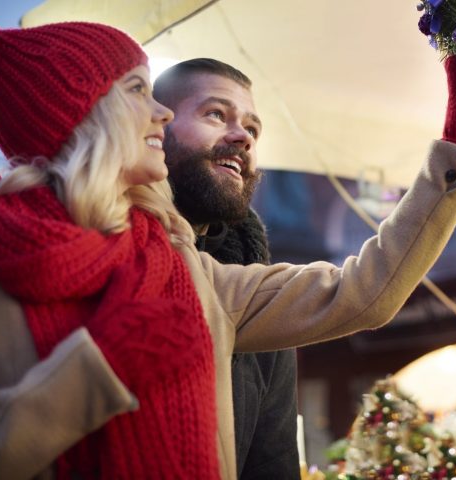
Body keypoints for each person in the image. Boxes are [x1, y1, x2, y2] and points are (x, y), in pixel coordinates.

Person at [0, 21, 456, 480]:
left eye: (253, 128)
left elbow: (359, 293)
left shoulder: (190, 269)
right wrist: (98, 370)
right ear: (83, 110)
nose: (156, 108)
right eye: (139, 90)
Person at [154, 59, 301, 480]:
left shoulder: (256, 290)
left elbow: (273, 461)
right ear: (155, 127)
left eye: (253, 129)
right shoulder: (103, 247)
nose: (242, 138)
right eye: (216, 114)